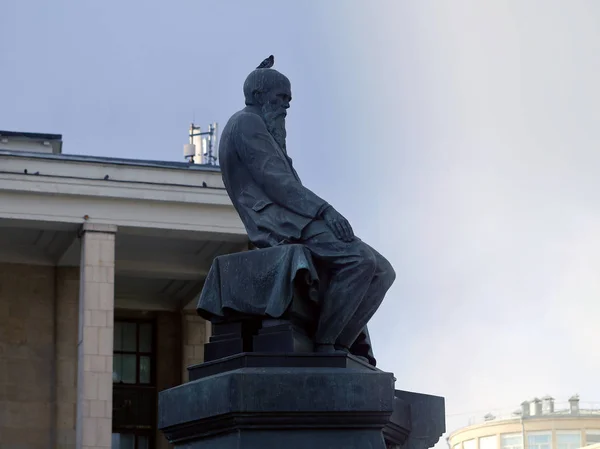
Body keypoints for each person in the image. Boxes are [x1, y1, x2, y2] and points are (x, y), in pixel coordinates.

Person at [217, 58, 396, 365]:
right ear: (259, 96)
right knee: (360, 259)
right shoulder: (246, 122)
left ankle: (340, 347)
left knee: (383, 271)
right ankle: (325, 344)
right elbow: (277, 182)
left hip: (295, 220)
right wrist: (325, 211)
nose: (286, 105)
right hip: (278, 222)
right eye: (281, 97)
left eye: (289, 99)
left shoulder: (265, 128)